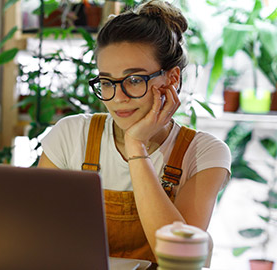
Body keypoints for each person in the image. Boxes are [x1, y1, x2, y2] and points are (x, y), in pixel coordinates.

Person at [38, 0, 231, 264]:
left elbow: (181, 261)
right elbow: (35, 233)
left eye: (134, 80)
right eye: (107, 82)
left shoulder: (204, 153)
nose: (117, 97)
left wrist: (136, 146)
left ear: (171, 78)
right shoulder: (71, 134)